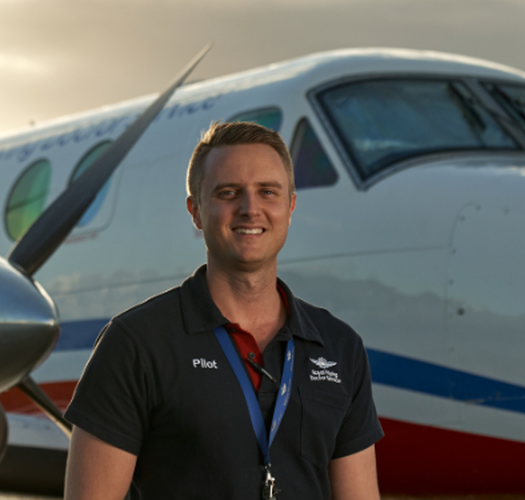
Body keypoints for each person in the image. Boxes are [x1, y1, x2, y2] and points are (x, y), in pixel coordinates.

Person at [63, 121, 383, 499]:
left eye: (268, 192)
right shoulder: (136, 343)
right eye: (228, 193)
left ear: (290, 206)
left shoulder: (340, 347)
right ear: (196, 211)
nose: (251, 209)